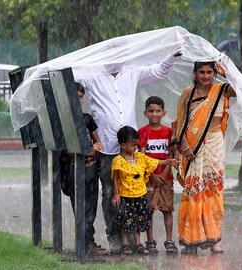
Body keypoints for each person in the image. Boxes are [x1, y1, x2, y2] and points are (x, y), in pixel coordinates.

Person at [77, 49, 182, 252]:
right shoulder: (93, 75)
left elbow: (159, 71)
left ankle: (134, 238)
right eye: (111, 56)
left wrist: (173, 54)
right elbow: (69, 75)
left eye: (119, 55)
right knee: (111, 192)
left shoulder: (132, 72)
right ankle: (115, 236)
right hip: (107, 146)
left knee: (136, 191)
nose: (115, 60)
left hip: (130, 148)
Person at [171, 61, 236, 255]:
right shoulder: (187, 94)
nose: (206, 76)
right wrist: (185, 146)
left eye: (209, 72)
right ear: (195, 73)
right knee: (193, 190)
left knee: (213, 190)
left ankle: (215, 239)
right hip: (192, 145)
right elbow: (181, 122)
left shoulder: (222, 89)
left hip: (215, 144)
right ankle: (191, 239)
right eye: (202, 72)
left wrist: (227, 74)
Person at [111, 125, 177, 255]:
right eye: (132, 145)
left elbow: (154, 161)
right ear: (123, 145)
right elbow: (115, 178)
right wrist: (116, 194)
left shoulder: (140, 157)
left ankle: (138, 243)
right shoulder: (118, 161)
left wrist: (168, 161)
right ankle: (124, 244)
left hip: (140, 195)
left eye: (136, 145)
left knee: (138, 220)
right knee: (125, 220)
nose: (135, 148)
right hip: (125, 196)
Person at [58, 82, 107, 255]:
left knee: (91, 208)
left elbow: (97, 142)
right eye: (75, 96)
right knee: (79, 206)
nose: (78, 100)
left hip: (91, 169)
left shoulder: (87, 119)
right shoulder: (64, 121)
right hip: (73, 170)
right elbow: (68, 148)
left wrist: (92, 149)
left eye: (80, 97)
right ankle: (85, 242)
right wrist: (85, 150)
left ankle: (89, 241)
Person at [138, 96, 178, 255]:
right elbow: (142, 156)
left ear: (164, 113)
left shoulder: (169, 132)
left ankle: (169, 240)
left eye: (158, 111)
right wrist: (152, 175)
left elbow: (171, 153)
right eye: (151, 111)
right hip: (149, 179)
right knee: (149, 210)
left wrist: (165, 173)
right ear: (145, 113)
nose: (154, 114)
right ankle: (150, 241)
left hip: (166, 179)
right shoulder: (142, 132)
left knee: (167, 209)